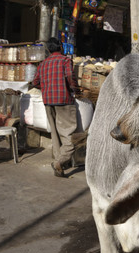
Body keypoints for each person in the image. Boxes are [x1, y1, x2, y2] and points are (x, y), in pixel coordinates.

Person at [32, 37, 78, 177]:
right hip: (64, 100)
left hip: (48, 101)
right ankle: (60, 161)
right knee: (71, 135)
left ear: (48, 50)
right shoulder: (65, 60)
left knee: (56, 135)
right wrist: (75, 89)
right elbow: (70, 77)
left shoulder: (43, 64)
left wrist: (46, 88)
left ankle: (59, 164)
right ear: (60, 47)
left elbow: (35, 82)